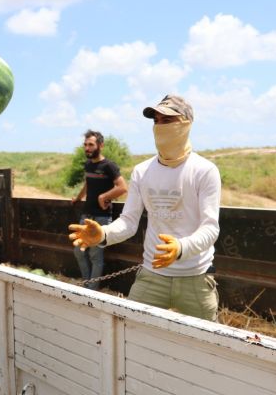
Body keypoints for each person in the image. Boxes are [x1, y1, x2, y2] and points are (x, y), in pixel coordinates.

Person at [68, 95, 221, 321]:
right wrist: (104, 234)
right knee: (130, 332)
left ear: (186, 123)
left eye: (168, 120)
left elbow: (210, 229)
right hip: (152, 275)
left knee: (210, 347)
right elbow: (129, 222)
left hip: (195, 278)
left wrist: (181, 247)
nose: (160, 126)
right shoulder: (142, 171)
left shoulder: (205, 171)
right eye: (156, 121)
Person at [71, 130, 127, 289]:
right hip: (86, 215)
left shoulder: (109, 166)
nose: (87, 148)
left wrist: (103, 197)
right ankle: (87, 283)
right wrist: (78, 197)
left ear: (100, 145)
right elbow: (88, 183)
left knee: (95, 256)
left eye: (91, 145)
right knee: (79, 251)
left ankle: (91, 291)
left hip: (101, 217)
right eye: (85, 145)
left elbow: (123, 187)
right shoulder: (88, 164)